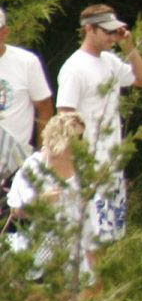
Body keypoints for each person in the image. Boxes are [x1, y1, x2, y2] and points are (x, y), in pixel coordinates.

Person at [55, 4, 142, 247]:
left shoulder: (109, 61)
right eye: (107, 32)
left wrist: (129, 47)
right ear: (89, 29)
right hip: (87, 165)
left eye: (114, 31)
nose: (112, 37)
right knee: (88, 238)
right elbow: (65, 118)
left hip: (111, 163)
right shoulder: (74, 68)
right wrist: (70, 167)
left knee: (108, 237)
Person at [6, 113, 91, 284]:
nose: (80, 143)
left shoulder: (82, 169)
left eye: (81, 138)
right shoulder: (34, 166)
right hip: (34, 247)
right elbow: (16, 212)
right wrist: (41, 201)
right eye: (76, 138)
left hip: (70, 248)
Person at [0, 4, 53, 183]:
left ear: (5, 32)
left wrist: (41, 153)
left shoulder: (26, 62)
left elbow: (45, 107)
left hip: (14, 163)